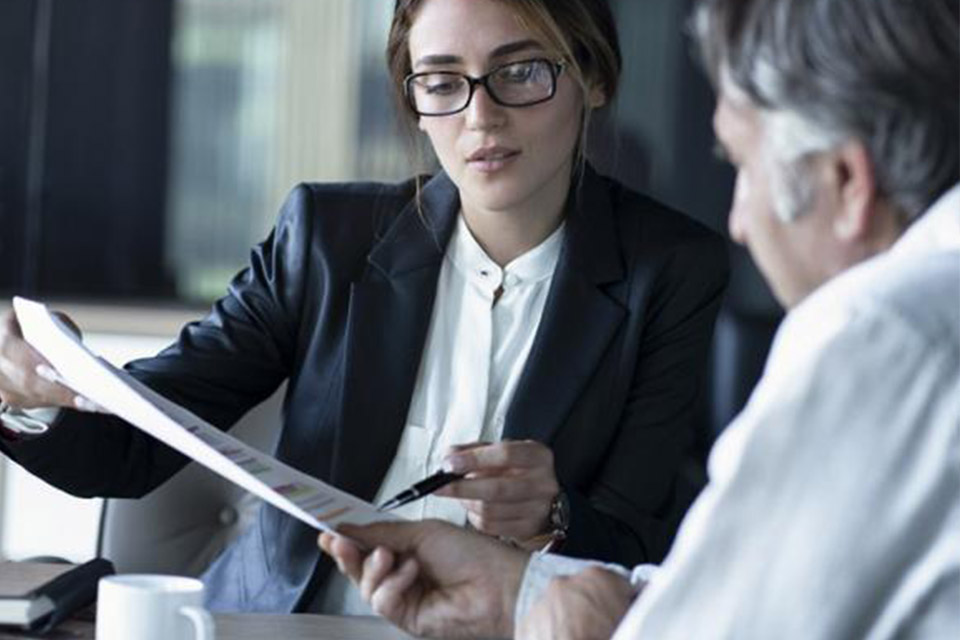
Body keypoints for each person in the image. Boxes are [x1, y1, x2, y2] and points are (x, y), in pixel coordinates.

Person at [0, 0, 728, 615]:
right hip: (278, 629)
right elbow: (136, 447)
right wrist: (29, 395)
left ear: (592, 77)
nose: (481, 118)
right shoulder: (325, 237)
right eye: (442, 82)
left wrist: (554, 517)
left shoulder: (669, 270)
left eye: (519, 72)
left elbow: (640, 549)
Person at [320, 0, 960, 637]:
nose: (738, 219)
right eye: (441, 82)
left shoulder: (878, 333)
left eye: (741, 165)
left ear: (848, 182)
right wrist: (517, 593)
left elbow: (720, 626)